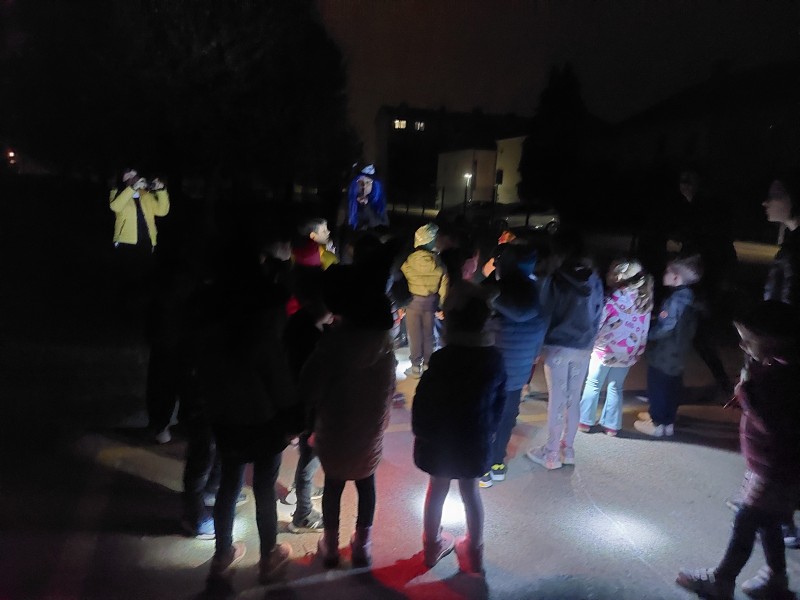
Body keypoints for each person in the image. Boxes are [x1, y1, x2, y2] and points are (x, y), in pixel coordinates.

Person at [676, 301, 800, 600]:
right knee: (769, 521)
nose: (742, 346)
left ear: (775, 340)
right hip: (771, 466)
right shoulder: (777, 368)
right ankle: (775, 578)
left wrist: (746, 391)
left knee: (747, 519)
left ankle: (722, 580)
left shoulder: (783, 378)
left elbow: (773, 424)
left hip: (775, 469)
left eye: (749, 339)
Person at [195, 244, 299, 585]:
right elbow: (279, 381)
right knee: (265, 487)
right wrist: (293, 419)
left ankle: (222, 554)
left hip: (225, 417)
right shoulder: (263, 329)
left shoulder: (210, 324)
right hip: (263, 419)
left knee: (229, 483)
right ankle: (269, 555)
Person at [298, 263, 396, 569]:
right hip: (370, 430)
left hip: (335, 429)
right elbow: (389, 389)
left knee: (334, 484)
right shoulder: (385, 344)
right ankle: (362, 546)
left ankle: (330, 546)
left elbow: (309, 387)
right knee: (366, 484)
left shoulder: (332, 345)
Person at [412, 293, 505, 573]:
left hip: (440, 440)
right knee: (470, 491)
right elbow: (500, 403)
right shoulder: (493, 359)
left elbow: (423, 399)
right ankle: (474, 551)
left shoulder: (442, 359)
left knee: (437, 489)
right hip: (474, 439)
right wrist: (490, 431)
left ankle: (432, 547)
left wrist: (421, 432)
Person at [526, 229, 603, 470]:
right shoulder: (594, 279)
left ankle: (550, 454)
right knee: (573, 399)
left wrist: (536, 347)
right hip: (583, 347)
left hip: (558, 346)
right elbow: (599, 312)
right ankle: (568, 450)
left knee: (557, 400)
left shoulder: (555, 279)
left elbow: (544, 313)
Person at [480, 243, 545, 486]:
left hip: (491, 369)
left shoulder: (496, 293)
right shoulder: (534, 293)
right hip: (518, 371)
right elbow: (539, 332)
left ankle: (483, 468)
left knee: (485, 416)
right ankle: (497, 463)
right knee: (507, 417)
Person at [761, 174, 800, 548]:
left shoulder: (796, 249)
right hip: (784, 351)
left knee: (782, 439)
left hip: (788, 355)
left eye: (774, 195)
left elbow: (786, 306)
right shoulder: (791, 242)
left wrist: (768, 344)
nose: (766, 202)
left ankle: (777, 519)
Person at [578, 259, 654, 436]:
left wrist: (588, 343)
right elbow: (644, 330)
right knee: (616, 387)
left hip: (604, 351)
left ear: (617, 277)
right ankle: (612, 425)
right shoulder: (643, 302)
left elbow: (597, 325)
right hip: (628, 353)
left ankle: (585, 421)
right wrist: (639, 350)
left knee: (593, 383)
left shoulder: (611, 301)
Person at [633, 255, 701, 437]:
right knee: (672, 386)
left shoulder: (674, 300)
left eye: (667, 272)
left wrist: (646, 335)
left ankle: (657, 423)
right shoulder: (690, 297)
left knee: (658, 385)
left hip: (665, 351)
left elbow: (666, 326)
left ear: (676, 277)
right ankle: (667, 422)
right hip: (679, 351)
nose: (664, 274)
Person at [400, 223, 448, 378]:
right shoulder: (438, 262)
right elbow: (444, 285)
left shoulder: (408, 261)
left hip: (412, 303)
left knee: (414, 335)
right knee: (428, 334)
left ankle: (415, 367)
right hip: (431, 304)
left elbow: (402, 282)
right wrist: (442, 306)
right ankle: (428, 364)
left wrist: (401, 304)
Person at [110, 168, 170, 253]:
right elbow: (115, 207)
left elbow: (162, 211)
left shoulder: (146, 195)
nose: (132, 177)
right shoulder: (116, 193)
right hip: (124, 242)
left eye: (134, 175)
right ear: (121, 177)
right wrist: (133, 188)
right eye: (129, 174)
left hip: (147, 242)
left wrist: (161, 190)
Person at [347, 164, 388, 231]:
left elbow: (381, 226)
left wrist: (366, 207)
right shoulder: (348, 202)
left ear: (374, 184)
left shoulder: (379, 202)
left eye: (368, 182)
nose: (364, 186)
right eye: (360, 182)